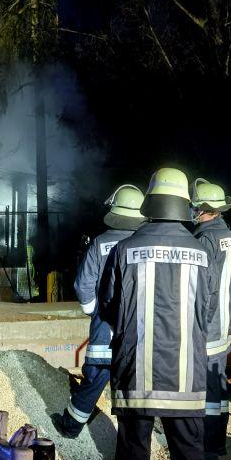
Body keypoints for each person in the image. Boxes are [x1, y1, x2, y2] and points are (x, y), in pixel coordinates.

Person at [101, 168, 213, 460]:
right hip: (186, 377)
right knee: (189, 454)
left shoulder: (124, 249)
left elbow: (108, 306)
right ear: (184, 204)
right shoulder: (202, 253)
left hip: (135, 373)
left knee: (132, 453)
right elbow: (208, 311)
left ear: (150, 201)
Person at [52, 184, 146, 438]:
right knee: (133, 388)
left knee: (93, 381)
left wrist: (95, 311)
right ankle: (131, 441)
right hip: (138, 334)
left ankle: (70, 428)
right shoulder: (146, 245)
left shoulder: (100, 243)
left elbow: (83, 284)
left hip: (104, 331)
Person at [191, 178, 231, 460]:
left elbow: (202, 288)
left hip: (208, 324)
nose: (192, 211)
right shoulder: (230, 236)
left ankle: (208, 447)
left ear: (204, 209)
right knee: (218, 383)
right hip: (226, 322)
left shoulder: (204, 239)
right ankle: (217, 441)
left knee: (207, 387)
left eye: (195, 207)